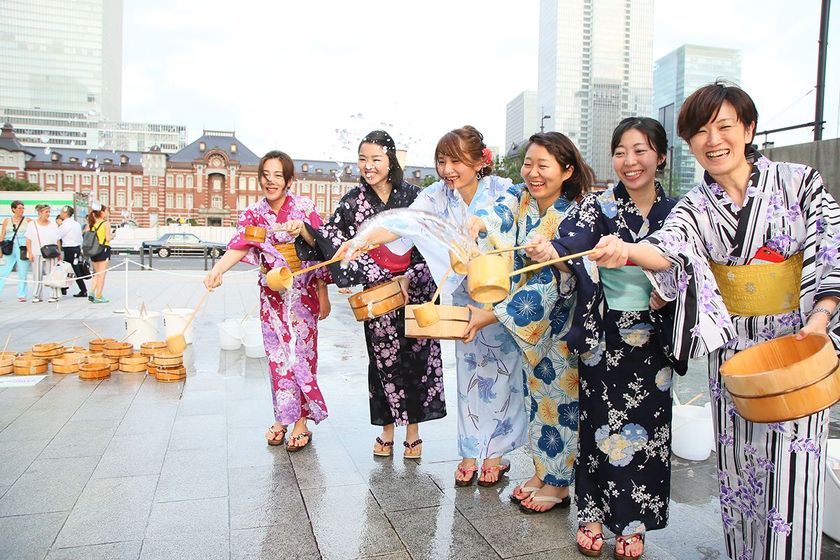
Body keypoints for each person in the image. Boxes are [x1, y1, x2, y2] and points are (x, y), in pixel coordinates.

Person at [591, 83, 840, 560]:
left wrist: (823, 316)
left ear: (748, 129)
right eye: (700, 131)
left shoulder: (799, 182)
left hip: (799, 345)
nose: (713, 139)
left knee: (792, 476)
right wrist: (625, 250)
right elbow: (668, 246)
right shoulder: (694, 206)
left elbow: (831, 245)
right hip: (736, 352)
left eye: (724, 126)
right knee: (740, 472)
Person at [339, 126, 526, 485]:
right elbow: (402, 224)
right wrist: (362, 240)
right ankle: (471, 451)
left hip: (499, 296)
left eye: (457, 160)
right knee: (470, 376)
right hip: (462, 295)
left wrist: (482, 223)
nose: (448, 169)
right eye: (442, 161)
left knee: (503, 374)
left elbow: (511, 219)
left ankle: (497, 454)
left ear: (479, 160)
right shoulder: (436, 195)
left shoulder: (501, 190)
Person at [530, 118, 681, 557]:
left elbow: (690, 267)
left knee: (649, 430)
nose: (629, 162)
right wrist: (550, 253)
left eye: (640, 151)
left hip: (653, 335)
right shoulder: (599, 207)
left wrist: (664, 290)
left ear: (661, 155)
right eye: (620, 152)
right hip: (605, 332)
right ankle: (593, 515)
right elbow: (569, 248)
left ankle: (633, 524)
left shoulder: (679, 212)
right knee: (597, 426)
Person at [296, 130, 445, 459]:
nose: (368, 166)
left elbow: (428, 238)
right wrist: (305, 231)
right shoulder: (352, 201)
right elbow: (332, 238)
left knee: (417, 359)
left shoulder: (413, 196)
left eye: (376, 159)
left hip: (416, 287)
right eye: (363, 159)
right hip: (378, 292)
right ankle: (386, 429)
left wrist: (409, 275)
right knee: (382, 361)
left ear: (390, 160)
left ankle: (414, 431)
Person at [466, 132, 592, 511]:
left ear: (567, 170)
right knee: (539, 400)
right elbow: (498, 213)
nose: (533, 173)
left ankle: (558, 483)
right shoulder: (520, 197)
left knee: (561, 400)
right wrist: (480, 224)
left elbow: (555, 279)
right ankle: (543, 469)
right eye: (528, 164)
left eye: (543, 166)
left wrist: (492, 313)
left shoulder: (574, 214)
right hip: (531, 329)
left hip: (559, 322)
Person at [206, 150, 330, 451]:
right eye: (266, 175)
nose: (271, 181)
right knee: (277, 358)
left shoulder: (304, 206)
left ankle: (301, 422)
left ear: (289, 179)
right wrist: (219, 269)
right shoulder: (253, 214)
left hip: (303, 293)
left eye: (278, 175)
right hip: (272, 296)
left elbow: (322, 248)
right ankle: (283, 417)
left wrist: (324, 293)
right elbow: (241, 244)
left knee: (301, 357)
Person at [25, 204, 60, 303]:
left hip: (51, 252)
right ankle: (37, 295)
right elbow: (28, 239)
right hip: (37, 252)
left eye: (49, 212)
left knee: (52, 274)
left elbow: (57, 239)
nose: (48, 214)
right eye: (46, 212)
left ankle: (54, 294)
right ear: (40, 213)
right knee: (37, 274)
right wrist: (30, 252)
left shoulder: (53, 224)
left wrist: (59, 252)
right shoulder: (32, 224)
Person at [0, 200, 30, 302]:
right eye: (19, 208)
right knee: (3, 271)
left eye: (23, 208)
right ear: (13, 209)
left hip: (23, 247)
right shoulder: (7, 221)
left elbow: (30, 236)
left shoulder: (28, 221)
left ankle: (22, 294)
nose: (21, 210)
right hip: (9, 246)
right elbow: (2, 235)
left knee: (23, 271)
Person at [57, 206, 88, 298]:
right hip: (76, 248)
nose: (60, 213)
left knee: (71, 269)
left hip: (69, 249)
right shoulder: (76, 224)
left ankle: (82, 290)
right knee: (72, 268)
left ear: (66, 213)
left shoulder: (65, 225)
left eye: (62, 212)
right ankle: (65, 288)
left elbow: (57, 236)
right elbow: (80, 238)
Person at [86, 204, 112, 303]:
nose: (107, 213)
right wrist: (112, 235)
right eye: (106, 211)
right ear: (101, 212)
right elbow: (108, 238)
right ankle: (99, 295)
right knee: (102, 274)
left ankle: (92, 292)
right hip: (103, 249)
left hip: (93, 250)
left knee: (96, 274)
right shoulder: (106, 223)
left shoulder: (91, 223)